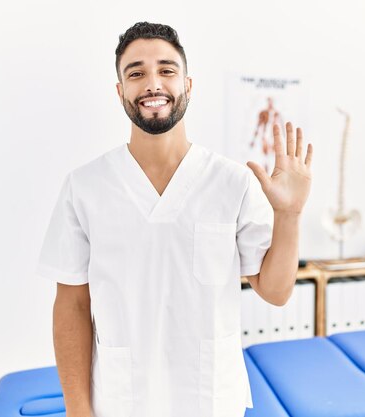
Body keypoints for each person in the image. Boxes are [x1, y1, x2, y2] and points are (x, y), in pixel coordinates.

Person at [36, 22, 313, 417]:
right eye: (136, 73)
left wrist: (289, 215)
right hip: (121, 400)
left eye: (167, 70)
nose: (153, 84)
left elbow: (276, 291)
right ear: (120, 91)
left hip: (210, 398)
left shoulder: (232, 182)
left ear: (188, 85)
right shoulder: (84, 187)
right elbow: (72, 306)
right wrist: (78, 409)